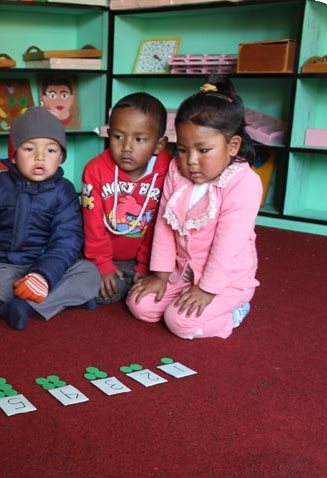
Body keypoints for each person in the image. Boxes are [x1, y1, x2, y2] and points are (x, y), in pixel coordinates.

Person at [127, 76, 262, 339]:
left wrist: (207, 290)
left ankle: (235, 312)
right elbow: (164, 226)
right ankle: (184, 298)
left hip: (225, 282)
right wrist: (161, 276)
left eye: (203, 150)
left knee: (180, 323)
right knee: (140, 304)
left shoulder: (244, 183)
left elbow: (227, 245)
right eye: (183, 150)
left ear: (232, 146)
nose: (191, 161)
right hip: (184, 275)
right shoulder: (176, 171)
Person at [0, 106, 100, 331]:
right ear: (14, 155)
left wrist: (43, 276)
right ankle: (61, 300)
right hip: (4, 267)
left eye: (51, 150)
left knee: (89, 274)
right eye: (29, 149)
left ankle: (24, 305)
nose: (40, 157)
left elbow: (66, 240)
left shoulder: (64, 192)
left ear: (61, 157)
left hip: (50, 267)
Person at [81, 92, 171, 305]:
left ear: (159, 144)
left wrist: (145, 265)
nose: (127, 147)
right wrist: (102, 265)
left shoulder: (168, 171)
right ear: (108, 134)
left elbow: (161, 225)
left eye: (139, 139)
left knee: (149, 295)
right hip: (102, 255)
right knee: (101, 292)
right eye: (118, 137)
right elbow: (92, 224)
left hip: (146, 258)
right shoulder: (95, 170)